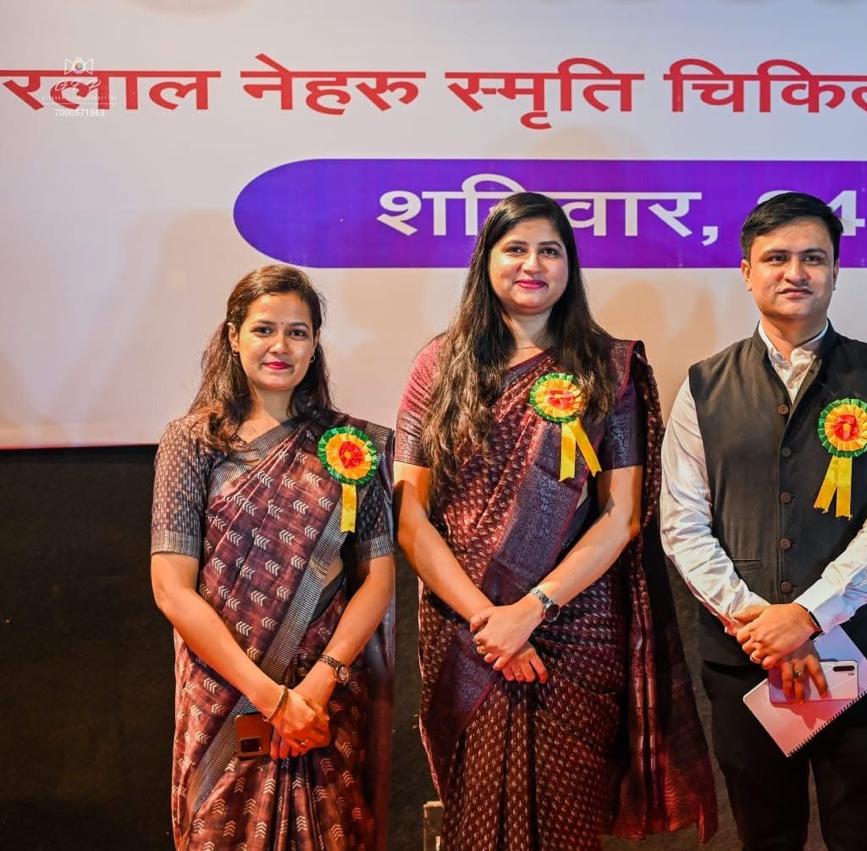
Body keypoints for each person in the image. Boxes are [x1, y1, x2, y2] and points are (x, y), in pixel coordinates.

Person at [393, 191, 716, 850]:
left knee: (569, 823)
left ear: (570, 265)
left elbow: (622, 514)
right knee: (474, 821)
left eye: (550, 250)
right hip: (468, 631)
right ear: (486, 260)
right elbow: (410, 516)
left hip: (575, 627)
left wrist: (531, 609)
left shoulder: (607, 366)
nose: (532, 264)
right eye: (515, 248)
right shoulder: (439, 364)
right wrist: (490, 621)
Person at [660, 191, 867, 850]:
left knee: (866, 832)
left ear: (836, 270)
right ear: (747, 271)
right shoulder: (703, 385)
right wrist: (759, 623)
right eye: (776, 258)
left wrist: (808, 616)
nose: (795, 272)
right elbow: (682, 520)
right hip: (746, 656)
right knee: (766, 834)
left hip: (855, 649)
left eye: (813, 257)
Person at [150, 264, 396, 850]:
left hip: (324, 702)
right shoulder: (194, 442)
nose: (280, 346)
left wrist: (315, 688)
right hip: (225, 696)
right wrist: (272, 698)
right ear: (233, 336)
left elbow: (377, 578)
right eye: (264, 329)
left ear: (315, 344)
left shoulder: (349, 446)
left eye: (297, 332)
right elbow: (171, 588)